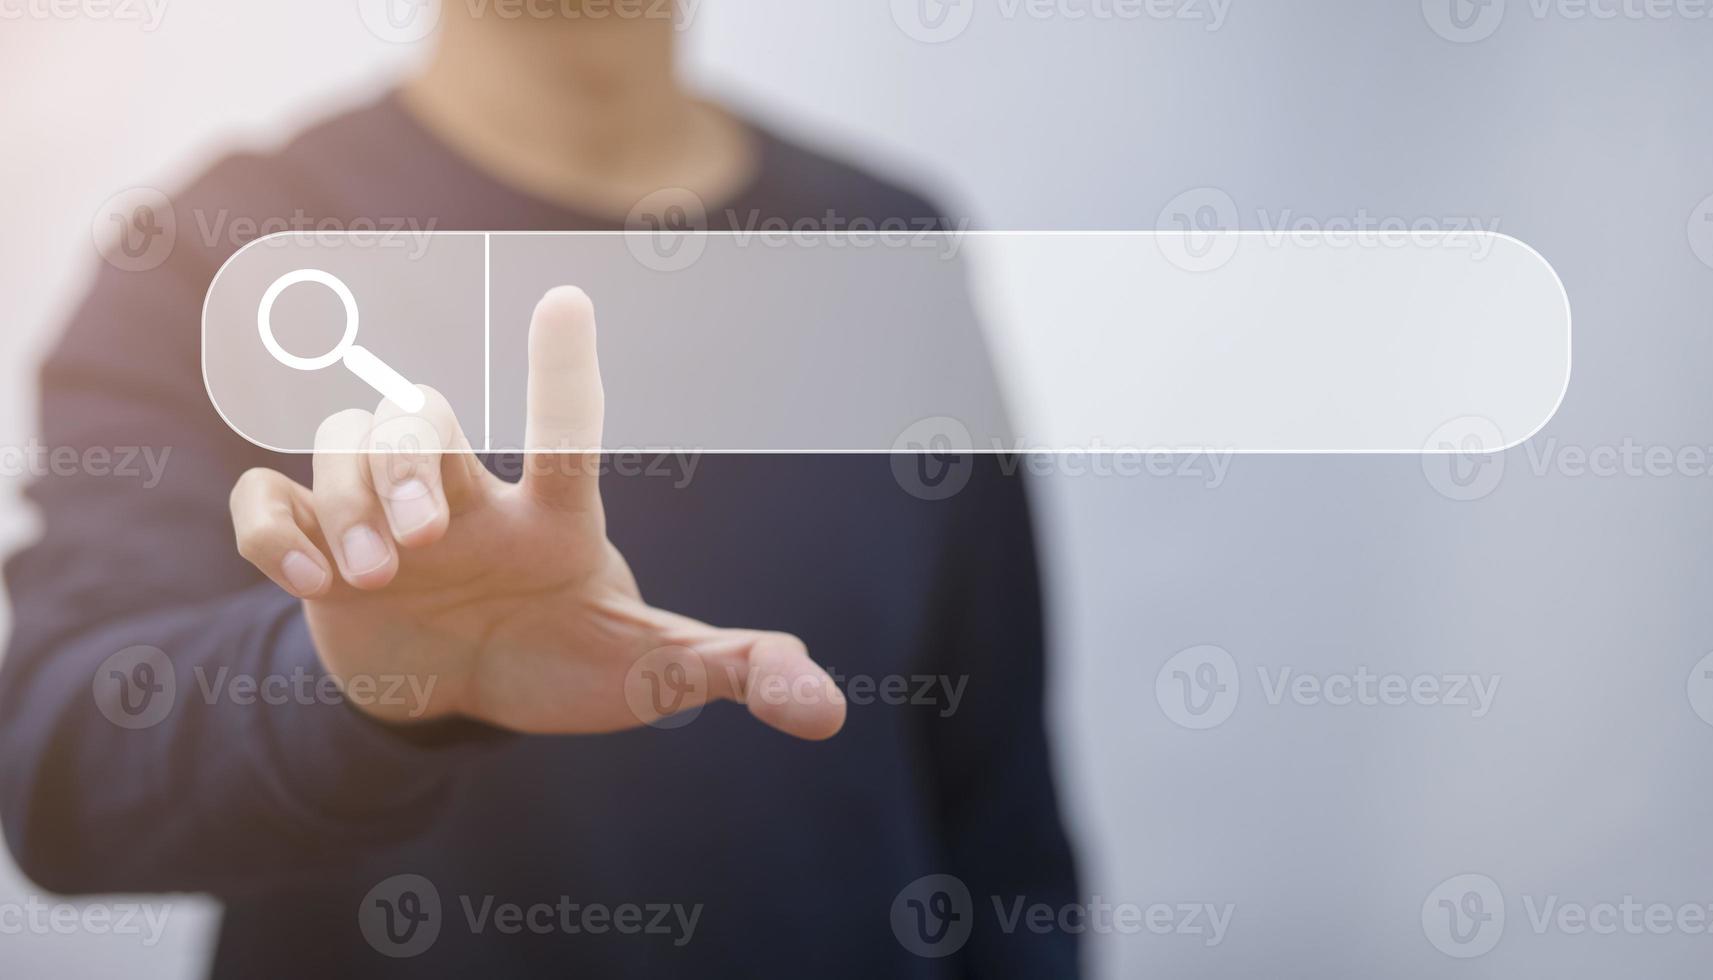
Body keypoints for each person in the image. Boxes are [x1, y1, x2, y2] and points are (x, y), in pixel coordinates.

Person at [0, 6, 1079, 978]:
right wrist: (343, 685)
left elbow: (1001, 815)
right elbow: (62, 778)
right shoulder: (210, 258)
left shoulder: (888, 248)